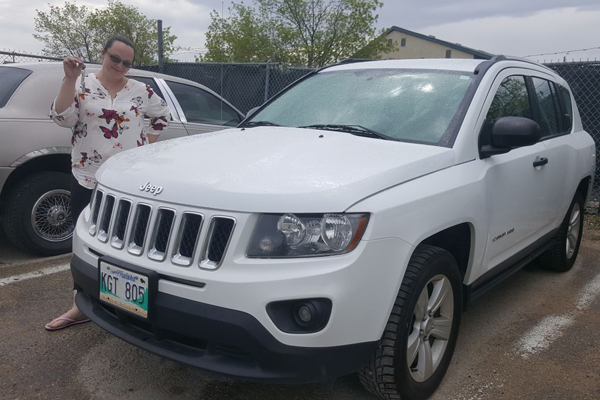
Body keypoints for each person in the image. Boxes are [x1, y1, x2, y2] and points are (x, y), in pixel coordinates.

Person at [45, 35, 171, 331]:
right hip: (87, 176)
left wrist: (146, 145)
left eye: (127, 63)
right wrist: (68, 79)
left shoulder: (141, 90)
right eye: (115, 58)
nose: (120, 66)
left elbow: (162, 116)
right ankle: (81, 303)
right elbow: (62, 118)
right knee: (85, 242)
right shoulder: (81, 85)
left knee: (130, 243)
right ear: (103, 54)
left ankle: (130, 302)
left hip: (128, 182)